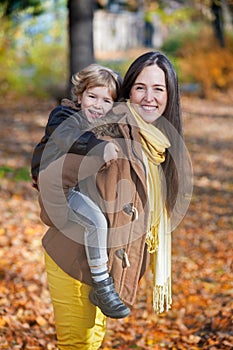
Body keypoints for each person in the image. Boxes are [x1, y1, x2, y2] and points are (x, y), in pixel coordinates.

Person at [37, 51, 192, 349]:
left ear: (170, 95)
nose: (149, 97)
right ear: (128, 92)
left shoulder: (157, 144)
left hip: (106, 272)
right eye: (140, 88)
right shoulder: (105, 132)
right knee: (78, 345)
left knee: (93, 343)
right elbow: (49, 179)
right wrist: (67, 221)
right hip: (74, 260)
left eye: (158, 89)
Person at [31, 63, 130, 319]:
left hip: (73, 187)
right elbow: (68, 138)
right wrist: (99, 148)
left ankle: (100, 280)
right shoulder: (63, 115)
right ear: (79, 96)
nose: (97, 105)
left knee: (98, 220)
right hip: (58, 189)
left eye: (106, 100)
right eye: (92, 96)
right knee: (95, 221)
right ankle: (102, 285)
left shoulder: (103, 125)